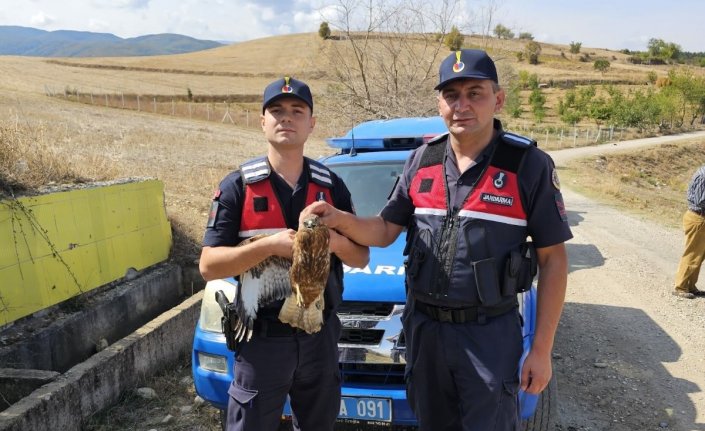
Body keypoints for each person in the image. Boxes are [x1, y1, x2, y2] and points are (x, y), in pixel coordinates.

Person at [301, 49, 572, 430]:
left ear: (498, 98)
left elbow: (554, 261)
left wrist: (541, 350)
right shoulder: (421, 160)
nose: (462, 105)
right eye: (451, 95)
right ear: (439, 102)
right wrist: (339, 219)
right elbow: (383, 230)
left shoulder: (526, 165)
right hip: (425, 330)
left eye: (474, 93)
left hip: (489, 334)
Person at [199, 76, 369, 431]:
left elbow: (360, 258)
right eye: (276, 111)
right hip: (261, 339)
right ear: (263, 122)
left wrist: (331, 242)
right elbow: (208, 265)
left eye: (297, 111)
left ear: (311, 123)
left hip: (318, 337)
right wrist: (269, 246)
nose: (286, 118)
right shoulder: (238, 187)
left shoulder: (331, 186)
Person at [673, 164, 705, 299]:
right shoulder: (704, 175)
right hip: (699, 217)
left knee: (699, 255)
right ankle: (680, 286)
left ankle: (690, 285)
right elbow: (700, 201)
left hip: (699, 217)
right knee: (692, 253)